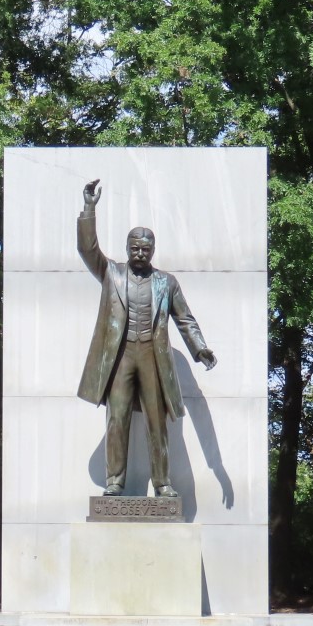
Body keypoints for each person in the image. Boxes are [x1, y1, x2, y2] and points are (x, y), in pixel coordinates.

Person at [76, 179, 216, 497]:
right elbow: (87, 250)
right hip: (120, 356)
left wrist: (199, 348)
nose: (140, 253)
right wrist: (89, 207)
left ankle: (162, 482)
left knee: (157, 421)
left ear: (153, 251)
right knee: (117, 419)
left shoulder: (166, 282)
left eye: (146, 249)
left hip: (153, 357)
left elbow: (185, 318)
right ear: (127, 250)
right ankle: (115, 481)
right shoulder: (111, 273)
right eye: (135, 249)